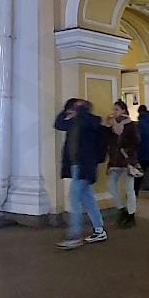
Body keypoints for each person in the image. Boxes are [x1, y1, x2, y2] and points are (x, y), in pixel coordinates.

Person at [54, 98, 107, 248]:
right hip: (76, 166)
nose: (71, 111)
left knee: (73, 198)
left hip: (85, 166)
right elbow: (58, 124)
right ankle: (99, 230)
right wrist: (66, 112)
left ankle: (74, 236)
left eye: (74, 108)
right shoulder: (72, 122)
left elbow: (89, 121)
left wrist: (80, 110)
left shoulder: (90, 121)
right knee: (88, 199)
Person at [104, 100, 141, 228]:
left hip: (127, 162)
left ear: (123, 111)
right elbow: (109, 142)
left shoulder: (130, 125)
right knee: (110, 186)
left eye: (116, 109)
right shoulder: (112, 125)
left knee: (129, 189)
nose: (114, 112)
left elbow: (136, 141)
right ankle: (122, 208)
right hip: (114, 161)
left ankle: (131, 215)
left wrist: (126, 150)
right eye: (113, 109)